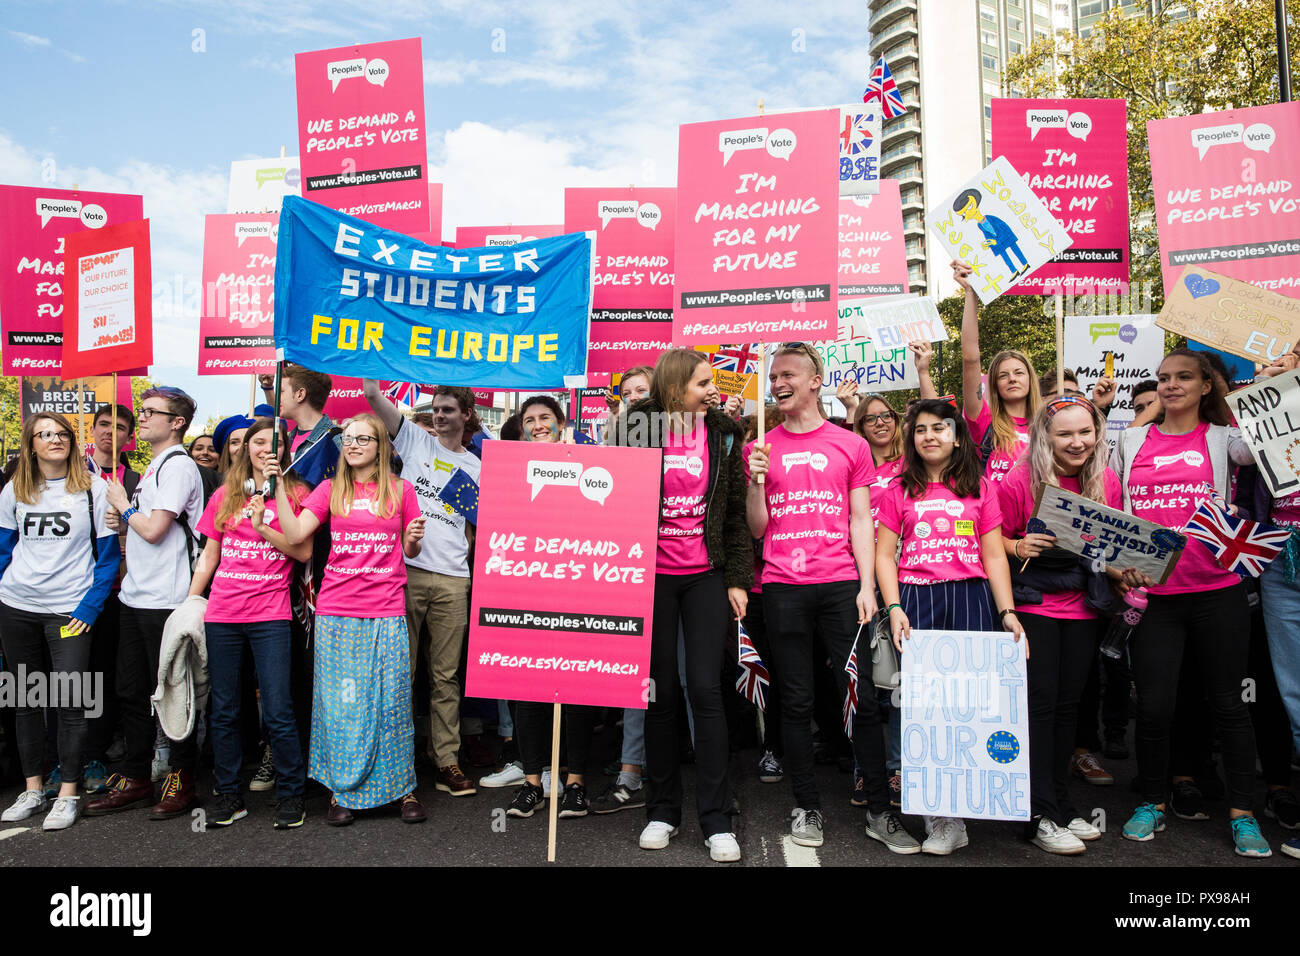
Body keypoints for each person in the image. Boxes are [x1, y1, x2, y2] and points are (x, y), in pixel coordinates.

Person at [746, 343, 916, 854]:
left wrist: (867, 586)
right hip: (782, 588)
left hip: (843, 585)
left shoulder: (850, 444)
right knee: (795, 702)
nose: (777, 382)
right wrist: (755, 484)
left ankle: (881, 814)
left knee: (860, 699)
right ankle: (807, 805)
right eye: (773, 375)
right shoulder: (762, 445)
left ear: (816, 381)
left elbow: (863, 519)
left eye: (788, 374)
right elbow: (757, 528)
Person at [1109, 348, 1271, 858]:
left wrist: (1262, 380)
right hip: (1155, 597)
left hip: (1217, 592)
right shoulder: (1132, 438)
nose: (1171, 385)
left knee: (1228, 706)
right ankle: (1151, 801)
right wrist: (1112, 566)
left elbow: (1268, 434)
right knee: (1154, 707)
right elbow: (1112, 508)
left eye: (1183, 378)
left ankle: (1244, 814)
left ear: (1206, 386)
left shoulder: (1226, 440)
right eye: (1163, 379)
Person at [608, 348, 751, 861]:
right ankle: (661, 811)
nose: (712, 390)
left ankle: (717, 820)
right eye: (702, 383)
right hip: (649, 577)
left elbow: (734, 513)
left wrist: (737, 578)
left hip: (706, 576)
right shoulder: (637, 426)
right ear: (674, 389)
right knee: (659, 695)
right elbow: (611, 497)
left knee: (707, 692)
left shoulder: (724, 431)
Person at [876, 398, 1024, 854]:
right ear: (912, 439)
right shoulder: (897, 490)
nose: (930, 436)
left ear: (957, 436)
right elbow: (884, 555)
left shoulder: (979, 488)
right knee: (922, 710)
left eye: (939, 428)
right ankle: (940, 818)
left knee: (966, 707)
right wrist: (895, 606)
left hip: (970, 597)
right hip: (917, 600)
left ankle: (964, 811)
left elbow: (995, 555)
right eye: (920, 429)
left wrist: (1007, 613)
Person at [271, 413, 427, 825]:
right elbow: (294, 535)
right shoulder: (328, 489)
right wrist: (278, 493)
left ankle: (403, 790)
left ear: (380, 446)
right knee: (343, 705)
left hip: (387, 610)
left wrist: (411, 540)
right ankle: (341, 792)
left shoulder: (401, 489)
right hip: (338, 614)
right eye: (349, 438)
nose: (354, 444)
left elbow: (410, 553)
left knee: (392, 703)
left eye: (364, 438)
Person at [997, 395, 1121, 855]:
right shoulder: (1018, 480)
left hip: (1084, 608)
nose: (1076, 442)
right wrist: (1018, 546)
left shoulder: (1106, 478)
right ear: (1045, 437)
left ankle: (1061, 806)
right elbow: (997, 542)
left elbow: (1110, 547)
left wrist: (1127, 569)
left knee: (1069, 710)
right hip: (1035, 609)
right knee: (1039, 711)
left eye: (1085, 432)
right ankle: (1038, 814)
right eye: (1064, 433)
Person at [86, 386, 206, 820]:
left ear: (177, 422)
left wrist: (123, 505)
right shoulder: (153, 466)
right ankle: (137, 775)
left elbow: (155, 530)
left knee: (173, 691)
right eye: (144, 410)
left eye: (153, 412)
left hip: (167, 600)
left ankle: (181, 778)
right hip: (136, 596)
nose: (144, 417)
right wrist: (126, 516)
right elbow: (142, 529)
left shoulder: (178, 466)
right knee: (130, 691)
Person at [188, 418, 313, 829]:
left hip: (270, 615)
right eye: (258, 442)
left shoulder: (296, 494)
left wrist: (263, 523)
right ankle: (228, 795)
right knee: (223, 710)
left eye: (275, 443)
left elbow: (301, 551)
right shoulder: (224, 494)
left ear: (284, 451)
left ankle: (292, 795)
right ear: (246, 449)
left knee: (277, 709)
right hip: (222, 613)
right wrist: (191, 602)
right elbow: (209, 555)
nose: (265, 449)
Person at [0, 413, 120, 830]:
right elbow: (3, 549)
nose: (55, 439)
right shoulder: (14, 490)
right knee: (26, 701)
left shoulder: (95, 489)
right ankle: (33, 789)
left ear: (72, 441)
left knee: (71, 702)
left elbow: (108, 560)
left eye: (62, 433)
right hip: (16, 609)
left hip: (69, 613)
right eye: (44, 434)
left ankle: (69, 792)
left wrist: (88, 609)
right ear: (31, 445)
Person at [362, 379, 481, 798]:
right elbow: (375, 398)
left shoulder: (481, 466)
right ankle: (395, 763)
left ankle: (445, 759)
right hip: (406, 571)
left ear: (466, 415)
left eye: (449, 409)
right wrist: (372, 368)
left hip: (454, 580)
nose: (440, 414)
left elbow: (480, 526)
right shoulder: (414, 441)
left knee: (445, 677)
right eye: (436, 408)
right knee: (400, 672)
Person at [501, 401, 600, 821]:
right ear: (522, 430)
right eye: (529, 421)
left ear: (562, 424)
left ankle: (575, 784)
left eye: (545, 419)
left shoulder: (591, 462)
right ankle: (532, 784)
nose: (537, 426)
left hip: (579, 593)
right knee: (529, 693)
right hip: (527, 594)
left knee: (576, 691)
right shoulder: (510, 471)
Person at [83, 403, 139, 793]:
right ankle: (78, 753)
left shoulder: (136, 479)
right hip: (74, 592)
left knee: (114, 676)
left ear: (127, 436)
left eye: (119, 427)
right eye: (103, 424)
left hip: (124, 589)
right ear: (93, 428)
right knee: (77, 676)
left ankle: (103, 748)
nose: (110, 432)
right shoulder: (72, 473)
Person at [953, 260, 1041, 484]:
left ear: (1031, 380)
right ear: (993, 384)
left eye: (1019, 373)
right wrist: (971, 292)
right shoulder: (984, 421)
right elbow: (970, 358)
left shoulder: (1049, 425)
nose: (1012, 378)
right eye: (1003, 375)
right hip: (994, 518)